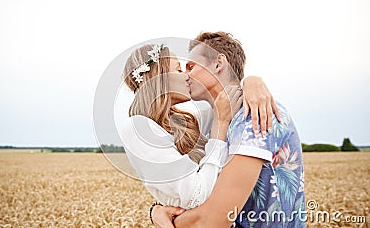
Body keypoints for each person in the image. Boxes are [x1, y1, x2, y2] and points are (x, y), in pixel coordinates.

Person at [152, 32, 306, 228]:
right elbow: (196, 191)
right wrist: (156, 209)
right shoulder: (210, 122)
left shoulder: (255, 115)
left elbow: (212, 221)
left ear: (218, 64)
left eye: (191, 67)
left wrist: (168, 219)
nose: (185, 75)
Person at [120, 42, 280, 225]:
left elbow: (224, 97)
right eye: (179, 70)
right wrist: (220, 126)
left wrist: (252, 81)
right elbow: (197, 196)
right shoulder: (138, 127)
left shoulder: (185, 121)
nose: (187, 76)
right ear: (159, 77)